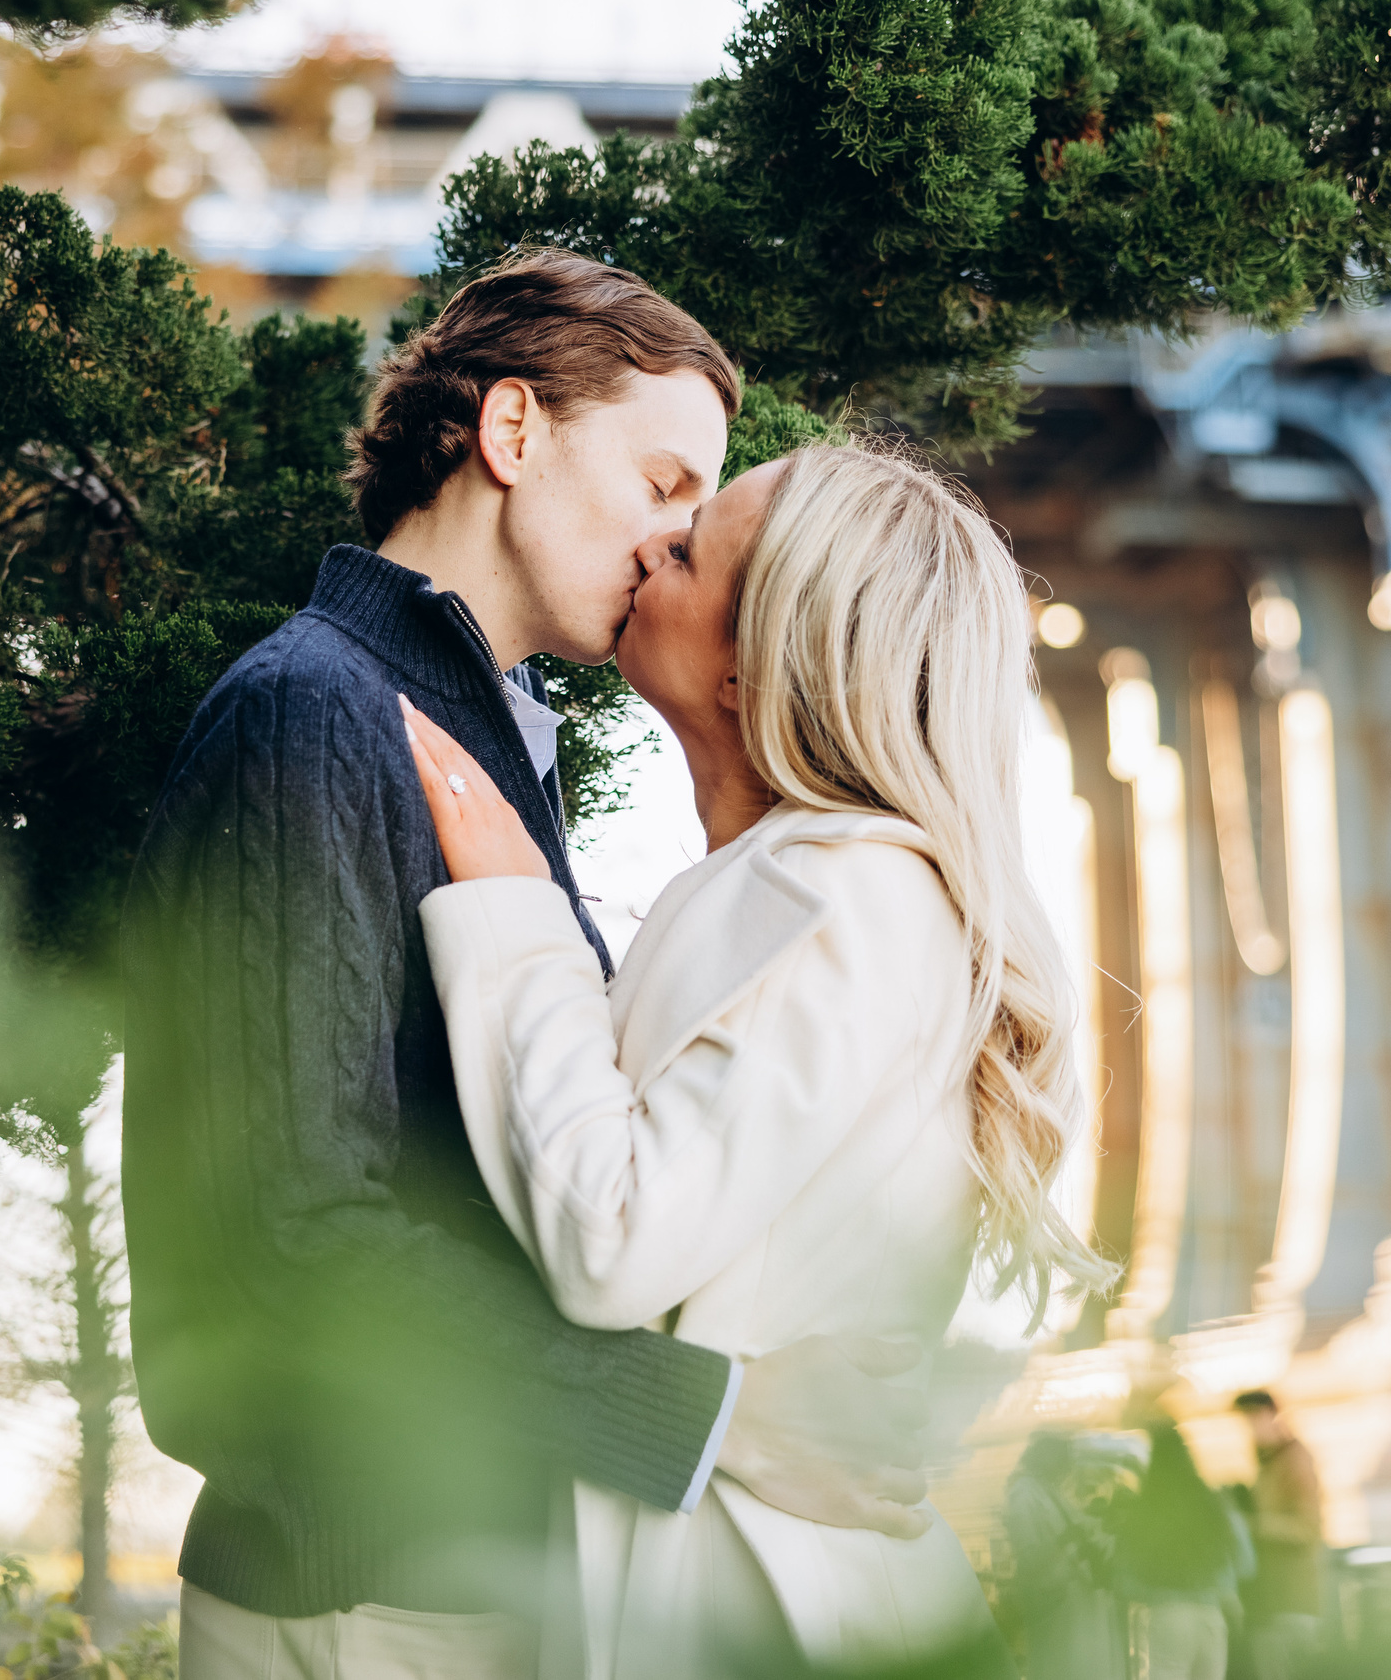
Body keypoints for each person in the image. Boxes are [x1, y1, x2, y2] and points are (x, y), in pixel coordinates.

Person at [121, 253, 934, 1680]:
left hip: (480, 1593)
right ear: (511, 434)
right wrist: (711, 1422)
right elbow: (284, 1243)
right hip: (356, 1600)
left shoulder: (481, 739)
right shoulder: (311, 714)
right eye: (664, 481)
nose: (674, 541)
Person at [398, 440, 1114, 1676]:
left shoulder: (844, 895)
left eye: (684, 552)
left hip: (771, 1601)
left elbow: (612, 1235)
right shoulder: (803, 887)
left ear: (751, 668)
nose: (643, 549)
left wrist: (515, 917)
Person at [1110, 1424, 1252, 1680]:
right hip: (1211, 1616)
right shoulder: (1213, 1504)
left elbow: (1123, 1580)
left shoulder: (1146, 1510)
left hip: (1167, 1615)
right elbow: (1245, 1563)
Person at [1004, 1434, 1126, 1680]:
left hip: (1078, 1604)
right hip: (1058, 1606)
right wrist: (1066, 1540)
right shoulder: (1024, 1494)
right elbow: (1030, 1557)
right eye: (1063, 1462)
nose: (1067, 1469)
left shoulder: (1048, 1492)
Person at [1235, 1391, 1323, 1680]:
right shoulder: (1268, 1461)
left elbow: (1308, 1529)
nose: (1249, 1428)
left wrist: (1250, 1525)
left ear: (1272, 1414)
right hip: (1271, 1599)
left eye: (1253, 1419)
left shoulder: (1294, 1459)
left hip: (1292, 1596)